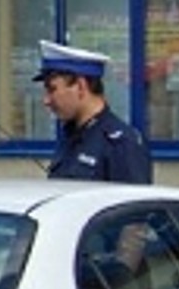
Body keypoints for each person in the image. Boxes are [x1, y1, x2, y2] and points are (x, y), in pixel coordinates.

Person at [35, 40, 152, 183]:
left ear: (80, 87)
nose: (46, 101)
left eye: (52, 89)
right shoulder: (71, 136)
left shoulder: (120, 145)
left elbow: (132, 203)